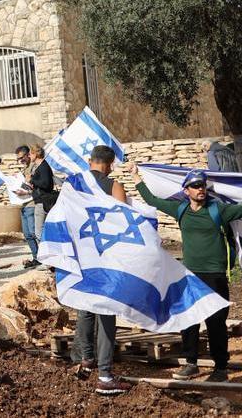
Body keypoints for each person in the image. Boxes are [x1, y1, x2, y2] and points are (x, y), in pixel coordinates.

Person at [130, 165, 239, 383]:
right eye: (196, 186)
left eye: (203, 185)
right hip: (189, 275)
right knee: (189, 317)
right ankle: (191, 362)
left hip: (214, 274)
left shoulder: (219, 210)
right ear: (186, 190)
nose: (201, 189)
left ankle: (220, 367)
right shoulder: (180, 210)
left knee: (216, 321)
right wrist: (136, 177)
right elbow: (152, 200)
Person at [70, 145, 131, 396]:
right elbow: (125, 219)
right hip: (106, 254)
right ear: (109, 164)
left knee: (85, 307)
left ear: (89, 161)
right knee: (106, 312)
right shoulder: (114, 185)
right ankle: (105, 375)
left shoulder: (73, 184)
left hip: (82, 254)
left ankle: (86, 358)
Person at [14, 146, 40, 267]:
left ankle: (43, 257)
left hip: (32, 204)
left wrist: (27, 182)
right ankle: (36, 257)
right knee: (27, 234)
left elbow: (35, 187)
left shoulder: (34, 168)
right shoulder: (25, 169)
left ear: (27, 155)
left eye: (21, 158)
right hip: (23, 204)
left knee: (34, 232)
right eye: (18, 159)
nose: (20, 161)